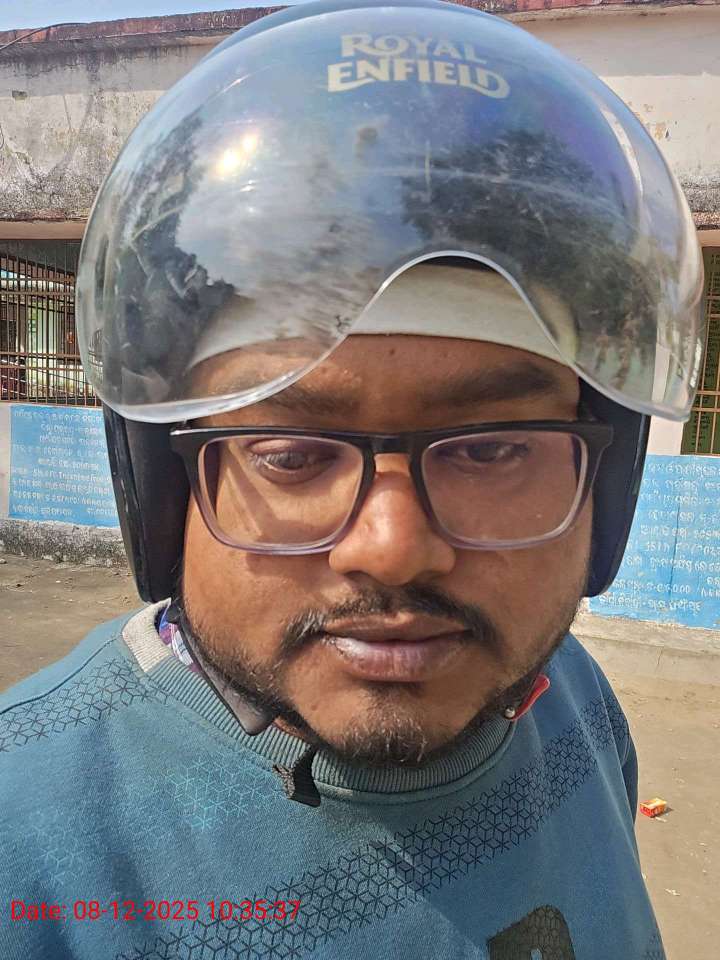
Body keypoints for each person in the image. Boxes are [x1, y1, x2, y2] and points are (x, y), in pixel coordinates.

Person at [0, 1, 704, 958]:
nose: (394, 548)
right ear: (165, 493)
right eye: (291, 453)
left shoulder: (574, 702)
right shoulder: (29, 842)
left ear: (605, 486)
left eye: (493, 448)